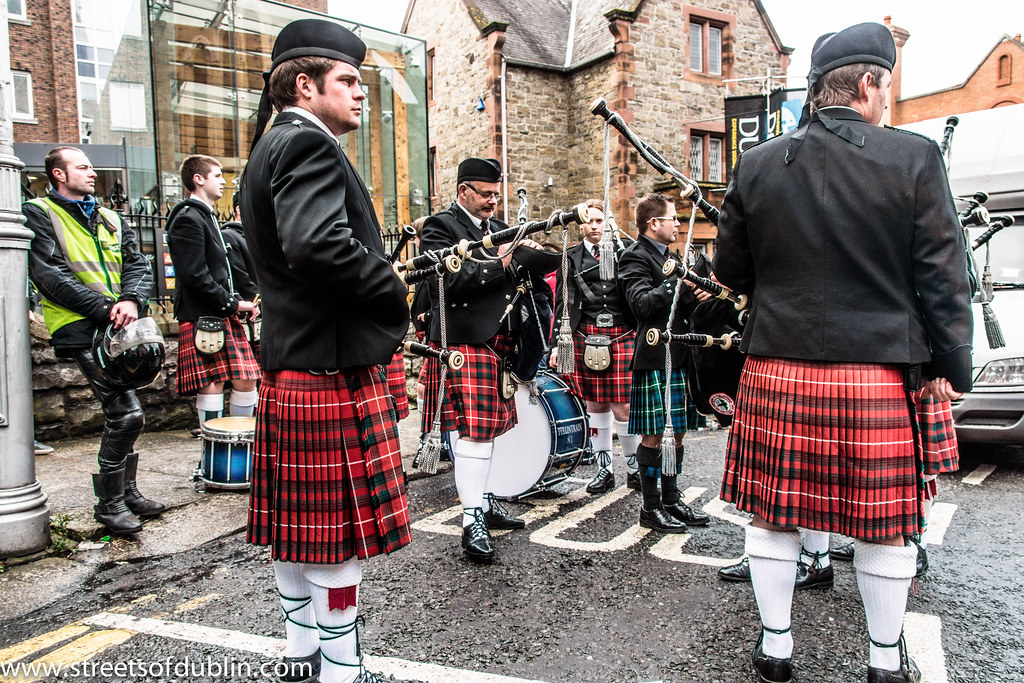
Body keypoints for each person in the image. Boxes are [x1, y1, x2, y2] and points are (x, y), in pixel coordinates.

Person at [712, 22, 973, 683]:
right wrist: (950, 366)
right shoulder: (913, 158)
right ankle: (884, 661)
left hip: (776, 364)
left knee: (773, 515)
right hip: (876, 370)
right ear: (868, 83)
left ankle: (775, 649)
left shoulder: (759, 161)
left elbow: (732, 268)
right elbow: (942, 275)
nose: (885, 101)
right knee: (884, 525)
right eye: (885, 87)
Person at [240, 18, 412, 683]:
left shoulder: (267, 146)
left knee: (296, 528)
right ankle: (341, 667)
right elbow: (317, 246)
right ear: (305, 84)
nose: (360, 92)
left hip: (293, 365)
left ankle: (301, 649)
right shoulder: (307, 146)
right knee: (335, 536)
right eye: (348, 79)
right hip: (327, 369)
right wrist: (392, 291)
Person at [23, 146, 165, 534]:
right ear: (57, 174)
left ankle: (126, 492)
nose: (91, 172)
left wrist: (131, 300)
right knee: (126, 413)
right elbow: (49, 274)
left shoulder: (110, 215)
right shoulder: (39, 212)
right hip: (81, 324)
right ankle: (110, 503)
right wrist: (107, 307)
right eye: (81, 167)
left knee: (127, 410)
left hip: (118, 322)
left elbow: (137, 263)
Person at [418, 157, 547, 563]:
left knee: (486, 430)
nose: (493, 201)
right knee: (473, 431)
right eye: (486, 194)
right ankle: (472, 519)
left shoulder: (498, 228)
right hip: (464, 340)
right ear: (463, 192)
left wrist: (529, 259)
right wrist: (504, 260)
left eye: (496, 194)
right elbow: (447, 279)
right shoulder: (441, 227)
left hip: (500, 340)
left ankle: (484, 499)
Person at [617, 193, 711, 534]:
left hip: (683, 355)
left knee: (679, 433)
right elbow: (641, 305)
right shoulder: (633, 257)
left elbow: (684, 305)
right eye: (673, 218)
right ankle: (650, 507)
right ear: (654, 223)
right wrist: (680, 284)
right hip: (655, 357)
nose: (678, 224)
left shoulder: (673, 256)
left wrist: (700, 292)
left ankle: (671, 500)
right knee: (655, 436)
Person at [549, 199, 641, 494]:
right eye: (588, 221)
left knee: (624, 407)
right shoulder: (571, 256)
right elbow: (561, 302)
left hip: (621, 333)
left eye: (599, 220)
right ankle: (604, 470)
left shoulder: (624, 253)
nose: (594, 225)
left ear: (607, 222)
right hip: (585, 334)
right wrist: (556, 344)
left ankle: (633, 467)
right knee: (595, 405)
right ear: (581, 224)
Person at [166, 155, 261, 427]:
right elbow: (195, 275)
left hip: (218, 314)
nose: (223, 181)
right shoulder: (188, 219)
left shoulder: (205, 217)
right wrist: (233, 304)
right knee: (212, 383)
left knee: (246, 378)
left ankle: (240, 444)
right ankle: (214, 451)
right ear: (198, 179)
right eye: (217, 176)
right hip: (202, 316)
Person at [221, 189, 261, 357]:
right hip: (247, 314)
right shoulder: (229, 236)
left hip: (262, 313)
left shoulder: (256, 237)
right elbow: (239, 276)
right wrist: (263, 298)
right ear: (238, 209)